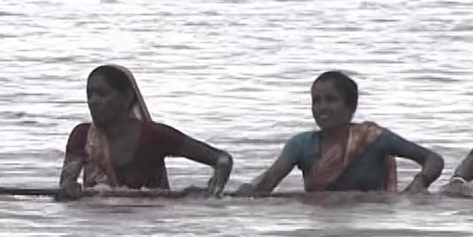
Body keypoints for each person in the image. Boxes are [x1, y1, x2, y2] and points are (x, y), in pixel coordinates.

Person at [238, 70, 443, 196]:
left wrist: (419, 183)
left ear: (350, 106)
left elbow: (433, 159)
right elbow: (269, 182)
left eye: (331, 99)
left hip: (370, 221)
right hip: (319, 221)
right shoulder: (301, 145)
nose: (322, 107)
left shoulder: (374, 138)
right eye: (316, 101)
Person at [56, 64, 233, 199]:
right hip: (98, 227)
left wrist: (213, 193)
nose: (93, 102)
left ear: (127, 97)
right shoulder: (82, 136)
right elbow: (66, 183)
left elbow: (222, 160)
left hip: (149, 226)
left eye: (102, 94)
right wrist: (69, 189)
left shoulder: (153, 135)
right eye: (89, 95)